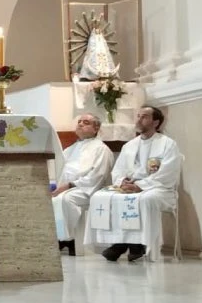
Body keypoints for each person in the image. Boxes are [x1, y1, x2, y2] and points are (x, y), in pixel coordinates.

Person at [89, 105, 183, 262]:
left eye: (144, 117)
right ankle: (125, 244)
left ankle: (134, 245)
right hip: (131, 187)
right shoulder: (129, 145)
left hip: (159, 188)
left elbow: (168, 174)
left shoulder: (168, 144)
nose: (139, 120)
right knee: (101, 196)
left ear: (156, 122)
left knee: (144, 199)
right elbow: (118, 170)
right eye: (138, 116)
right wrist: (122, 181)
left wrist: (140, 186)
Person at [51, 113, 114, 255]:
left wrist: (69, 185)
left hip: (90, 189)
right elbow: (60, 171)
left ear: (96, 128)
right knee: (53, 199)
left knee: (65, 199)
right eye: (79, 121)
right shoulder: (70, 149)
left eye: (86, 122)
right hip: (69, 188)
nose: (80, 124)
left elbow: (98, 176)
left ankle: (68, 239)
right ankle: (62, 237)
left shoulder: (101, 149)